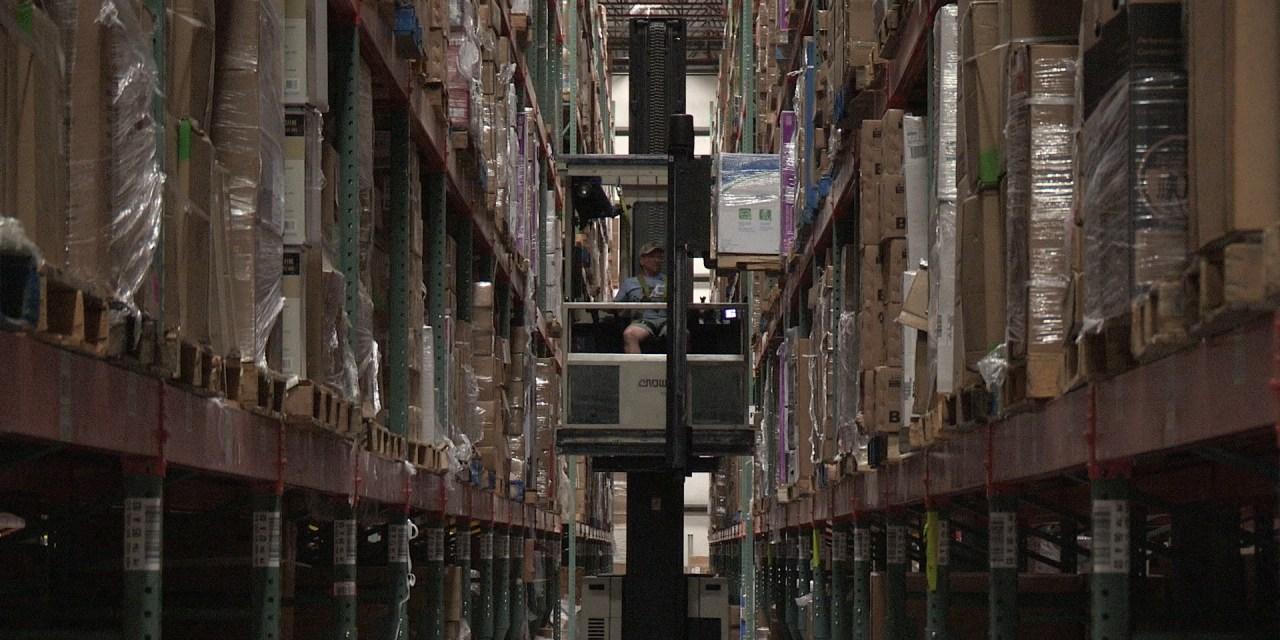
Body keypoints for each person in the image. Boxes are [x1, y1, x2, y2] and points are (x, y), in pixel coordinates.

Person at [614, 243, 666, 353]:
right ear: (642, 260)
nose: (656, 260)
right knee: (630, 334)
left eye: (659, 257)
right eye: (652, 257)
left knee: (682, 334)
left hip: (667, 321)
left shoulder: (672, 281)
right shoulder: (630, 283)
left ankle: (679, 370)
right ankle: (637, 369)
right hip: (642, 322)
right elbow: (616, 306)